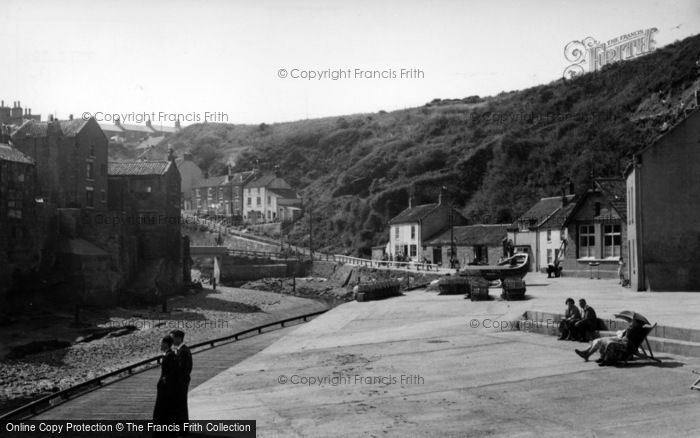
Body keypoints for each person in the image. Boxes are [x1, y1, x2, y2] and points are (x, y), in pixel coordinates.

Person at [575, 319, 647, 365]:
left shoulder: (638, 330)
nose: (632, 321)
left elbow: (631, 339)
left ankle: (607, 360)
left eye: (634, 321)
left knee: (610, 343)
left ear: (637, 323)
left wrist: (628, 330)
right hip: (622, 340)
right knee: (603, 341)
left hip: (627, 345)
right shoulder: (632, 328)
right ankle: (601, 357)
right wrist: (628, 329)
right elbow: (625, 335)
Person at [153, 336, 178, 436]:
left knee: (163, 411)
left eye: (162, 343)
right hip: (167, 389)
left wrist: (163, 382)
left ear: (166, 344)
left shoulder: (169, 356)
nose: (160, 345)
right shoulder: (170, 355)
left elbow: (170, 373)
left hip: (166, 390)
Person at [170, 330, 193, 433]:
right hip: (182, 382)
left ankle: (183, 429)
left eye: (173, 337)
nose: (171, 340)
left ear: (179, 338)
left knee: (180, 405)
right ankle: (182, 428)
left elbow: (185, 369)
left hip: (181, 383)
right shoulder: (182, 350)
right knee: (180, 405)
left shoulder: (183, 351)